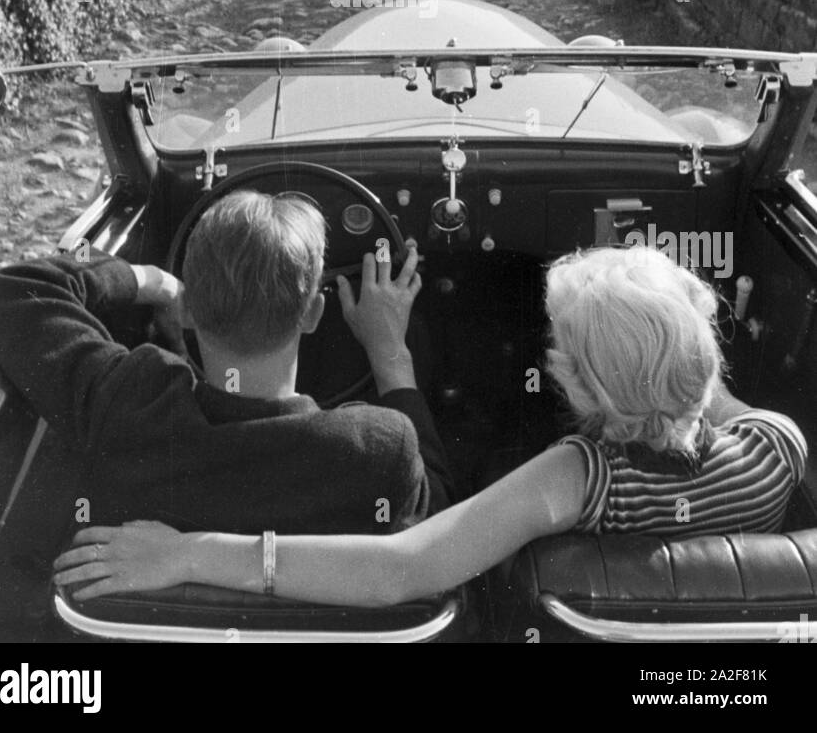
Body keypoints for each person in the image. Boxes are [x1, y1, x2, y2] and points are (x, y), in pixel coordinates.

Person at [55, 244, 807, 607]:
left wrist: (188, 553)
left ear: (569, 381)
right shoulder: (779, 446)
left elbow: (401, 570)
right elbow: (691, 387)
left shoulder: (576, 477)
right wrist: (655, 320)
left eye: (561, 349)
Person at [0, 190, 452, 539]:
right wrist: (390, 350)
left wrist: (154, 282)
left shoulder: (130, 403)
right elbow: (440, 527)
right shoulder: (379, 451)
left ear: (188, 311)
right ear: (312, 313)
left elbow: (20, 287)